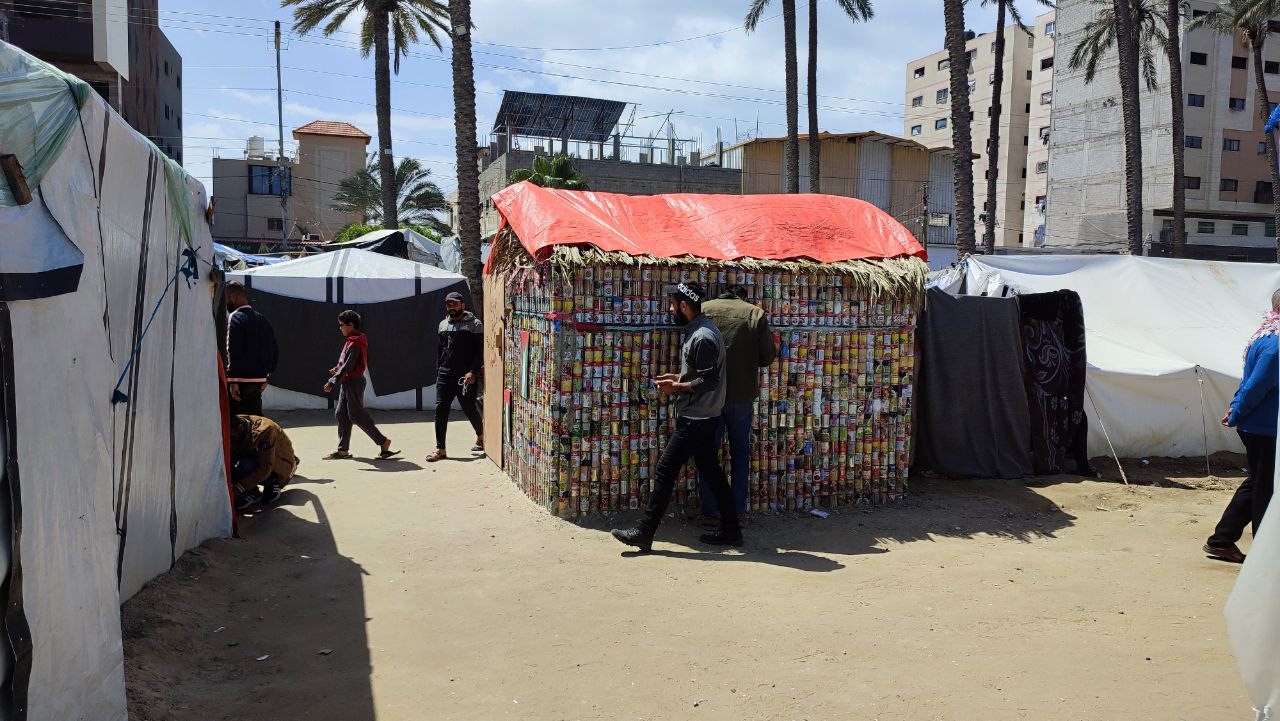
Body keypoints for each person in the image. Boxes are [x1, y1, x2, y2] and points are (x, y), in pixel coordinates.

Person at [612, 282, 742, 552]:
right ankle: (732, 530)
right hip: (705, 415)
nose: (670, 310)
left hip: (696, 418)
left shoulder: (703, 336)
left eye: (673, 305)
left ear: (684, 305)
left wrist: (677, 387)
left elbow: (709, 380)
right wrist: (678, 377)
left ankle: (644, 532)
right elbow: (700, 373)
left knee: (665, 470)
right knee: (712, 472)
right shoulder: (699, 330)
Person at [1205, 289, 1280, 564]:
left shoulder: (1264, 336)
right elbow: (1257, 385)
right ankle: (1263, 555)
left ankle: (1223, 539)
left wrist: (1236, 407)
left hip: (1258, 424)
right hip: (1265, 427)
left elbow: (1247, 380)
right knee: (1265, 488)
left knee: (1258, 482)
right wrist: (1238, 411)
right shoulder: (1276, 344)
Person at [700, 284, 776, 518]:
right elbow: (767, 357)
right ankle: (736, 512)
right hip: (741, 396)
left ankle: (711, 512)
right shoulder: (755, 313)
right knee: (740, 454)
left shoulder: (704, 309)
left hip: (709, 396)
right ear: (743, 297)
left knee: (708, 455)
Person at [323, 310, 398, 460]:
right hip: (347, 381)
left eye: (342, 325)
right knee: (342, 414)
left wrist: (332, 380)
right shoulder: (351, 340)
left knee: (356, 414)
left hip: (354, 382)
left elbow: (349, 365)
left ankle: (383, 441)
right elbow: (345, 364)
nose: (340, 328)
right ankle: (343, 450)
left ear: (351, 325)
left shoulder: (356, 341)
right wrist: (337, 369)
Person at [426, 291, 484, 462]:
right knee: (440, 409)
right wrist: (438, 372)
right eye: (448, 304)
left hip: (465, 376)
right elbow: (440, 351)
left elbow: (479, 352)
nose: (451, 306)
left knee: (469, 408)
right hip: (445, 375)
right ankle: (440, 449)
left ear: (462, 305)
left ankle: (481, 436)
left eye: (455, 303)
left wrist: (473, 371)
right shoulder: (443, 325)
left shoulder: (475, 324)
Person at [224, 280, 278, 417]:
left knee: (240, 422)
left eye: (226, 299)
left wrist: (233, 380)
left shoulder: (235, 317)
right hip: (258, 382)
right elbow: (273, 350)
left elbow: (232, 350)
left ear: (233, 297)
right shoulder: (262, 319)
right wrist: (266, 376)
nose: (225, 304)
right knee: (255, 419)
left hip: (241, 383)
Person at [230, 414, 298, 512]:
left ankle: (273, 482)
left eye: (232, 436)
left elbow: (265, 466)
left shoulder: (266, 431)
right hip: (265, 457)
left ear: (240, 428)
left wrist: (240, 487)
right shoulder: (236, 423)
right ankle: (252, 491)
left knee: (246, 464)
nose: (231, 439)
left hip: (280, 463)